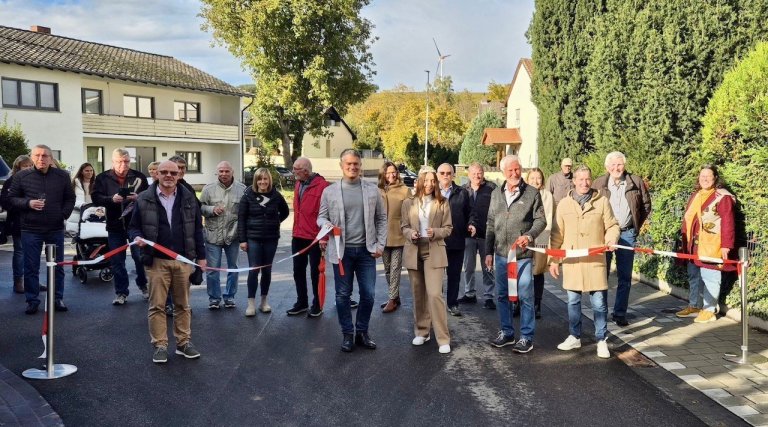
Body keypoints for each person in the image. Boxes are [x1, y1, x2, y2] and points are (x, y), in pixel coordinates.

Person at [129, 160, 206, 364]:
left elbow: (198, 229)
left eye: (173, 172)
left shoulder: (189, 198)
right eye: (164, 172)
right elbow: (133, 227)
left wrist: (202, 257)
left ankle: (183, 343)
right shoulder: (144, 198)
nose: (169, 176)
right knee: (157, 306)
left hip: (183, 260)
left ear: (179, 175)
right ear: (157, 175)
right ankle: (160, 345)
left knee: (183, 305)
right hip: (156, 262)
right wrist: (136, 237)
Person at [318, 149, 387, 352]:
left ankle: (362, 332)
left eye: (356, 163)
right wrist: (328, 225)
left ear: (360, 165)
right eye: (348, 164)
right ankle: (347, 334)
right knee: (342, 295)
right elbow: (320, 217)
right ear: (341, 165)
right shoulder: (329, 191)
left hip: (366, 252)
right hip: (341, 253)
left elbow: (381, 219)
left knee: (369, 294)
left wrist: (380, 245)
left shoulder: (371, 189)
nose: (352, 167)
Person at [549, 165, 619, 359]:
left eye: (587, 179)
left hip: (595, 261)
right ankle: (574, 336)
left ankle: (601, 340)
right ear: (574, 181)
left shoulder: (602, 202)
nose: (584, 183)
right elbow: (556, 235)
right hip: (572, 262)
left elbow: (612, 225)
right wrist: (554, 260)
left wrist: (611, 238)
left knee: (599, 304)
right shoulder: (563, 204)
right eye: (580, 179)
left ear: (591, 180)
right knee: (573, 301)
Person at [485, 155, 545, 353]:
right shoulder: (496, 194)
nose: (514, 173)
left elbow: (540, 220)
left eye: (517, 169)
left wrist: (529, 235)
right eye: (510, 170)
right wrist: (488, 252)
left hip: (522, 255)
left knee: (525, 295)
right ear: (503, 172)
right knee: (502, 295)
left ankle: (526, 337)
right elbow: (491, 224)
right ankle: (507, 333)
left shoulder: (532, 193)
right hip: (501, 254)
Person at [7, 145, 75, 314]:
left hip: (55, 228)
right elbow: (11, 199)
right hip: (30, 229)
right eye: (37, 155)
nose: (41, 159)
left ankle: (57, 298)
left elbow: (70, 197)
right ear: (32, 157)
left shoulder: (62, 176)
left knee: (57, 266)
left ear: (51, 158)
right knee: (31, 267)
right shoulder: (22, 176)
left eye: (45, 156)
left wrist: (63, 215)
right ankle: (32, 300)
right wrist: (28, 203)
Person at [592, 151, 651, 327]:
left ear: (624, 166)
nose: (616, 168)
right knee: (601, 275)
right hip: (605, 235)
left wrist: (634, 226)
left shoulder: (635, 181)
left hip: (627, 233)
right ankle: (601, 312)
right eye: (613, 165)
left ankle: (619, 313)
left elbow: (645, 206)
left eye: (619, 165)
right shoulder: (599, 184)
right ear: (607, 167)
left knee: (624, 276)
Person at [401, 167, 453, 354]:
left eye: (433, 180)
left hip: (435, 251)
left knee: (434, 295)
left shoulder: (443, 202)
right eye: (427, 180)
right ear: (420, 181)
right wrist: (410, 234)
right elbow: (404, 226)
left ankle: (443, 338)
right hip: (414, 250)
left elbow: (448, 228)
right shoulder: (408, 203)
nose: (430, 184)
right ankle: (422, 332)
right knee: (418, 294)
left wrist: (436, 232)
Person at [675, 165, 736, 323]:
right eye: (702, 176)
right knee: (693, 275)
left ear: (715, 177)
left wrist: (726, 245)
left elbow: (728, 222)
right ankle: (695, 305)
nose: (705, 179)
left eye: (709, 176)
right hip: (693, 245)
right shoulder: (696, 195)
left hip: (712, 245)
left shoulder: (723, 197)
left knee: (711, 277)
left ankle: (709, 311)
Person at [92, 148, 149, 305]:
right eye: (120, 161)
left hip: (136, 225)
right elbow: (96, 197)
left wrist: (139, 197)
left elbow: (149, 197)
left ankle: (144, 286)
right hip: (115, 225)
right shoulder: (102, 178)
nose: (124, 165)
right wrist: (111, 199)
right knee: (117, 260)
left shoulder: (139, 177)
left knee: (140, 258)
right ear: (113, 162)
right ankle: (121, 293)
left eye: (126, 161)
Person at [238, 167, 289, 316]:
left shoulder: (276, 196)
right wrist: (242, 240)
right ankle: (251, 304)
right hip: (253, 238)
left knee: (266, 270)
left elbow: (285, 212)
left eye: (265, 179)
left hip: (271, 239)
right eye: (260, 179)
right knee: (254, 269)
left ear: (269, 180)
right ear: (256, 180)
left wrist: (275, 222)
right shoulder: (247, 196)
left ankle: (264, 301)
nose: (262, 182)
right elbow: (241, 218)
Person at [200, 161, 247, 309]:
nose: (224, 174)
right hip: (213, 235)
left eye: (227, 171)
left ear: (232, 172)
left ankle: (230, 297)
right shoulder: (208, 189)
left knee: (233, 268)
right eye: (221, 171)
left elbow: (246, 213)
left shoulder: (242, 189)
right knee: (213, 269)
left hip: (233, 236)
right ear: (217, 172)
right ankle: (214, 298)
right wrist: (212, 209)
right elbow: (200, 208)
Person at [288, 157, 329, 317]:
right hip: (298, 235)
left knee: (315, 272)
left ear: (306, 170)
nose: (293, 172)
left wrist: (324, 237)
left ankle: (317, 304)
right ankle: (302, 302)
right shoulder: (298, 184)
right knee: (297, 271)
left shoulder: (322, 186)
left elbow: (327, 214)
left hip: (315, 237)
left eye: (296, 169)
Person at [460, 162, 497, 309]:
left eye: (479, 172)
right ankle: (470, 293)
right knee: (468, 266)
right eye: (474, 173)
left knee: (487, 266)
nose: (477, 175)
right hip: (468, 235)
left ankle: (489, 296)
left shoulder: (492, 188)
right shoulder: (463, 190)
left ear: (483, 173)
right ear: (468, 175)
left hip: (486, 234)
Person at [436, 163, 470, 317]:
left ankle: (452, 303)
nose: (445, 175)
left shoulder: (462, 193)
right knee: (436, 276)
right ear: (437, 175)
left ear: (453, 175)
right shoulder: (432, 192)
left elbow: (471, 214)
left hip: (456, 241)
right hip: (436, 242)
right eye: (442, 173)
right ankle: (437, 304)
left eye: (448, 173)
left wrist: (472, 225)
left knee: (454, 275)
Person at [378, 161, 410, 313]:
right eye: (388, 172)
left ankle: (391, 300)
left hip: (399, 235)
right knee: (387, 269)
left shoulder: (404, 190)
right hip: (383, 236)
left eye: (394, 172)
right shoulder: (378, 190)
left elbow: (411, 213)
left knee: (396, 268)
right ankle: (395, 296)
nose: (391, 175)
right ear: (383, 174)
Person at [0, 155, 34, 294]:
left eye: (29, 165)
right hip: (18, 222)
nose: (27, 168)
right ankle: (18, 281)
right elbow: (5, 202)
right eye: (24, 166)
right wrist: (24, 205)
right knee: (20, 252)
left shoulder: (35, 180)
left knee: (34, 253)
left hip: (35, 222)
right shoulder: (11, 181)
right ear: (17, 168)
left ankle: (32, 281)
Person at [526, 168, 553, 319]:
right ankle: (518, 302)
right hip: (524, 237)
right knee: (521, 271)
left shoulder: (546, 195)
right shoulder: (523, 193)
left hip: (541, 238)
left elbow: (547, 219)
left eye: (538, 178)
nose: (535, 181)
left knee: (538, 272)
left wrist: (543, 240)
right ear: (527, 179)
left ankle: (537, 305)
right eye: (532, 178)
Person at [66, 162, 95, 235]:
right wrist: (83, 205)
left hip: (93, 212)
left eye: (91, 170)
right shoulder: (76, 183)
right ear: (82, 172)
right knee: (80, 237)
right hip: (79, 212)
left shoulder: (97, 183)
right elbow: (72, 199)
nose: (89, 172)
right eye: (87, 170)